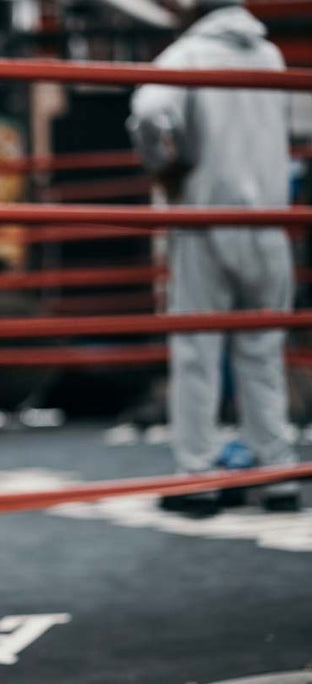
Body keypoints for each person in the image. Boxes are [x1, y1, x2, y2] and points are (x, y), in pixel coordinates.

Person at [127, 0, 301, 514]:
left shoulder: (186, 55)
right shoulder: (270, 56)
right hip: (270, 221)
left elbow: (148, 115)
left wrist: (166, 166)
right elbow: (296, 128)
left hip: (206, 218)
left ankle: (197, 477)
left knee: (197, 353)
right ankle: (278, 475)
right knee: (264, 352)